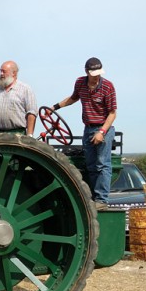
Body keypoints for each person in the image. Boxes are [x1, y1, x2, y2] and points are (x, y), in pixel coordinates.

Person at [51, 57, 117, 209]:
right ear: (86, 71)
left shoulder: (107, 86)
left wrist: (102, 132)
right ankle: (94, 198)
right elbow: (73, 98)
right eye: (93, 73)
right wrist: (54, 107)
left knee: (102, 164)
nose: (96, 76)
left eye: (98, 73)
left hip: (103, 128)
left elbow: (112, 113)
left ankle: (102, 200)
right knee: (91, 166)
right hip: (88, 128)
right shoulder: (80, 83)